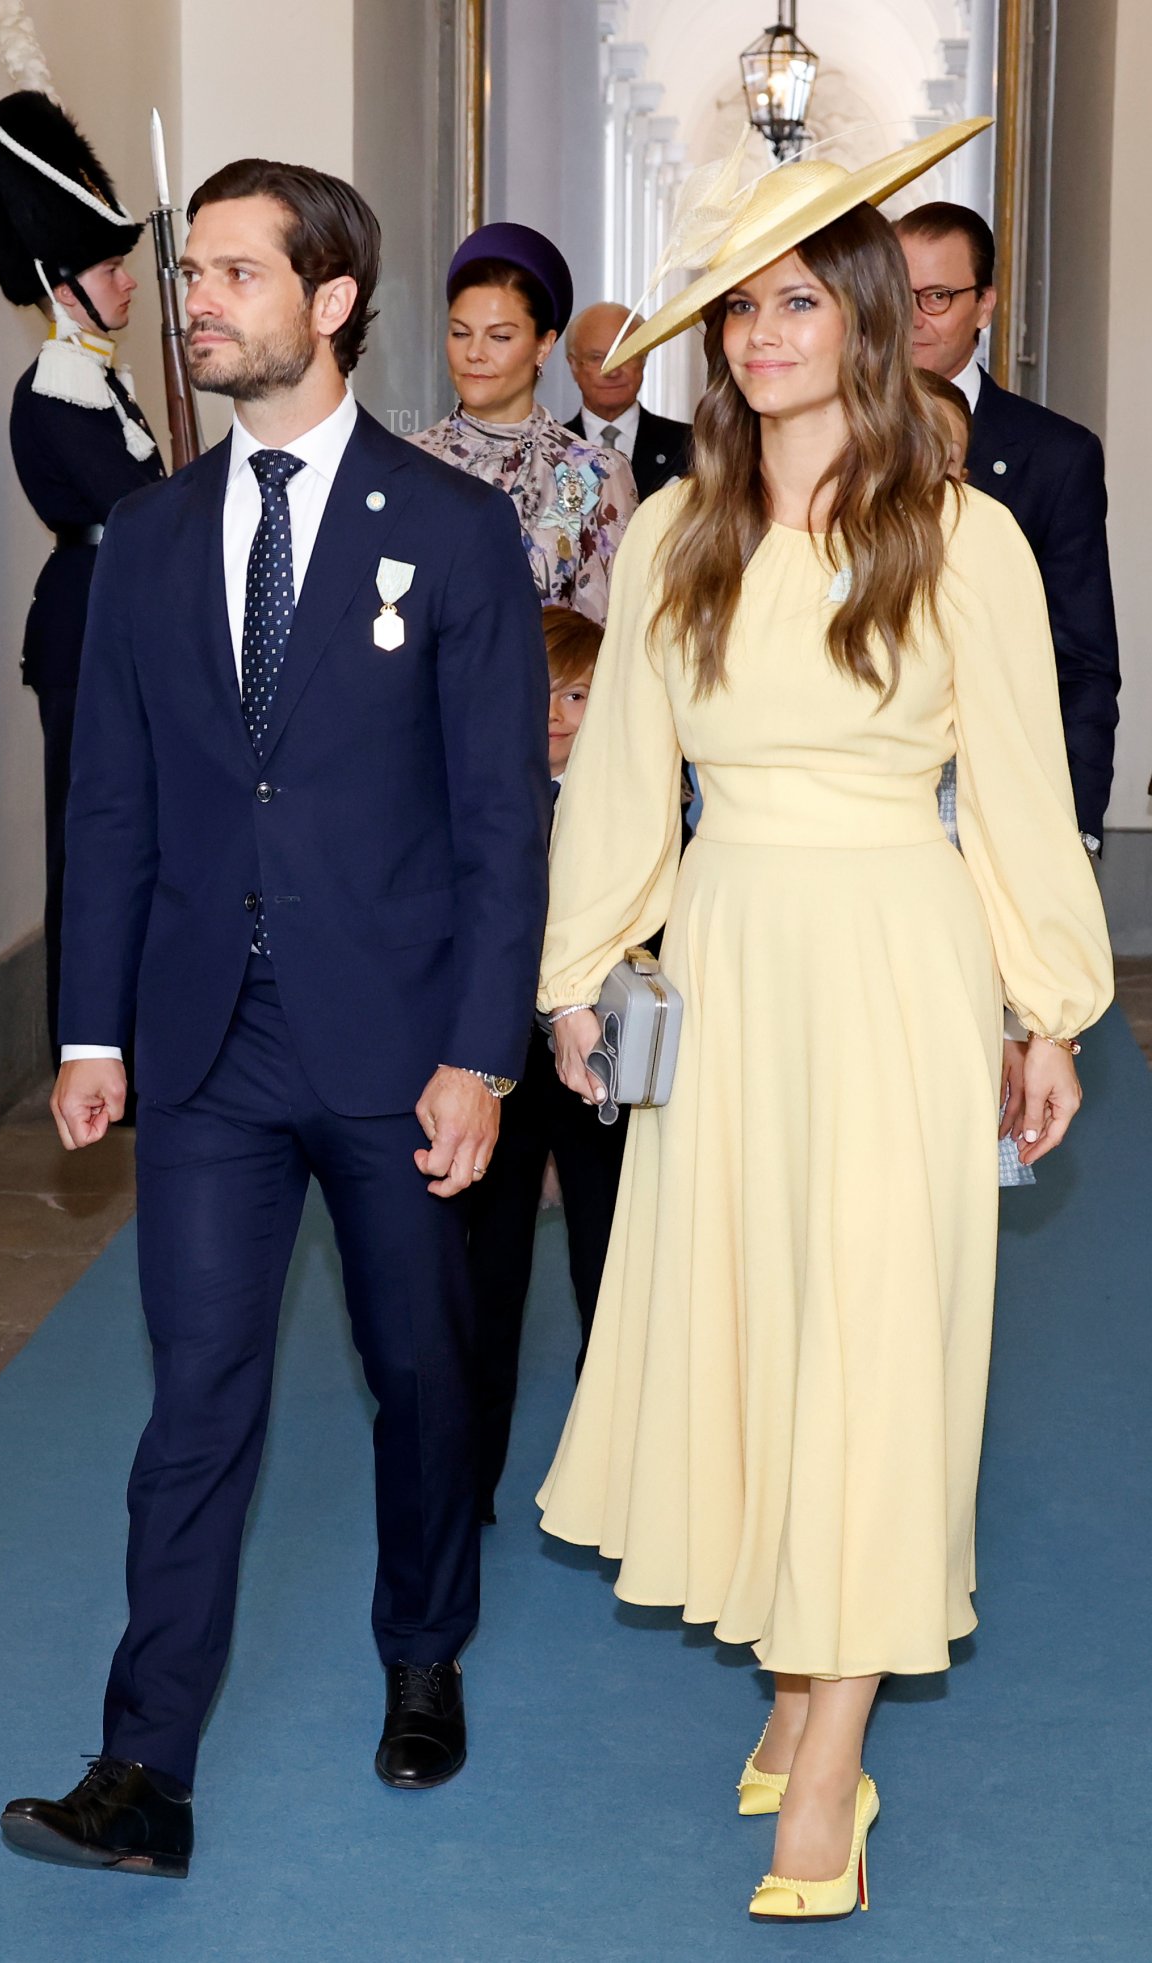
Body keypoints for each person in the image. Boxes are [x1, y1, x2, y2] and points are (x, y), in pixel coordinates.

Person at [535, 118, 1112, 1922]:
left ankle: (833, 1760)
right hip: (724, 964)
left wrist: (1050, 1007)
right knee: (759, 1322)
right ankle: (797, 1678)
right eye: (739, 307)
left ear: (868, 319)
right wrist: (578, 966)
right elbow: (623, 773)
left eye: (800, 300)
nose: (765, 333)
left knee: (873, 1339)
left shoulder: (967, 538)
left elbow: (1018, 791)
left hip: (891, 967)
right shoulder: (674, 539)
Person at [0, 158, 550, 1877]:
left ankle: (421, 1648)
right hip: (212, 1050)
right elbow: (112, 802)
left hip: (397, 1042)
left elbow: (497, 819)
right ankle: (142, 1760)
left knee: (419, 1372)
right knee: (198, 1398)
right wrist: (92, 1029)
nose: (200, 300)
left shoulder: (451, 528)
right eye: (195, 274)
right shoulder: (155, 542)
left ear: (329, 303)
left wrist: (481, 1054)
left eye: (238, 272)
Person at [0, 90, 165, 1064]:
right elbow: (137, 511)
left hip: (119, 616)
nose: (127, 283)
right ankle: (87, 1045)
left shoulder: (100, 379)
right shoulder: (54, 388)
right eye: (107, 267)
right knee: (86, 839)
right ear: (63, 285)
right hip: (87, 625)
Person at [469, 605, 630, 1523]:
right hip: (496, 1063)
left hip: (606, 1067)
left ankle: (608, 1479)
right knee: (486, 1279)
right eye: (541, 690)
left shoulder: (637, 809)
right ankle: (468, 1479)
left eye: (578, 691)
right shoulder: (479, 794)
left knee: (613, 1272)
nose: (558, 713)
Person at [896, 201, 1120, 855]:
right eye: (897, 293)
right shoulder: (829, 439)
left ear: (985, 304)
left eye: (937, 296)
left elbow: (1081, 657)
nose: (913, 317)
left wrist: (1075, 822)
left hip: (997, 806)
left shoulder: (1054, 453)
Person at [917, 370, 1035, 1187]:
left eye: (953, 461)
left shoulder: (980, 557)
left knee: (942, 1167)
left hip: (953, 918)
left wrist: (1024, 1023)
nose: (938, 478)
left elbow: (1008, 834)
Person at [411, 224, 637, 624]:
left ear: (544, 345)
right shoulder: (407, 465)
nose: (474, 353)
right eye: (460, 333)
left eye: (499, 337)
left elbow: (617, 632)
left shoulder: (587, 474)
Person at [563, 301, 692, 498]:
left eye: (625, 356)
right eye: (597, 358)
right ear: (573, 366)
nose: (612, 371)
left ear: (644, 360)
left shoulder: (692, 446)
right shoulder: (548, 449)